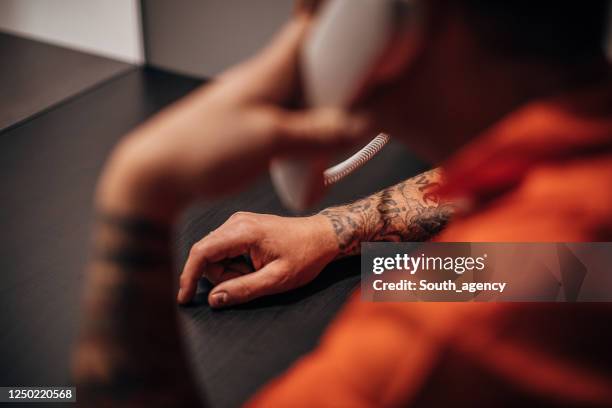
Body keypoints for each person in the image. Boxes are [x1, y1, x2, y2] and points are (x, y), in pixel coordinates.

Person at [73, 0, 612, 406]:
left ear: (376, 16)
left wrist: (139, 189)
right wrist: (334, 232)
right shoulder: (579, 205)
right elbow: (571, 267)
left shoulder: (442, 336)